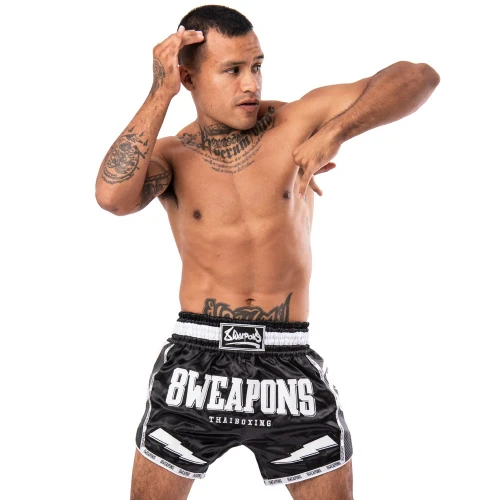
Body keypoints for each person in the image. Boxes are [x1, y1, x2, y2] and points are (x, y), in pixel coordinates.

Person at [95, 5, 439, 499]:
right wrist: (158, 93)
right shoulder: (171, 156)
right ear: (188, 78)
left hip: (287, 363)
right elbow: (112, 198)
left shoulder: (296, 122)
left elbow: (419, 76)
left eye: (256, 66)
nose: (250, 84)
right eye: (232, 70)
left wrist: (334, 132)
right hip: (197, 363)